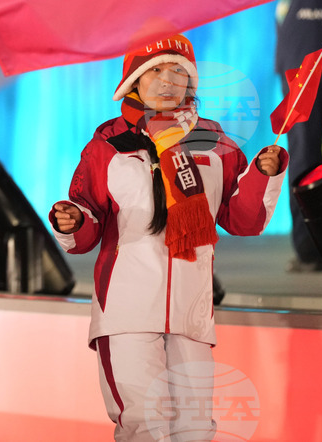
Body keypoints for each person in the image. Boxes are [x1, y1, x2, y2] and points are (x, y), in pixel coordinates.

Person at [49, 34, 286, 441]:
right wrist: (72, 220)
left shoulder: (215, 141)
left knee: (194, 428)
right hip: (126, 307)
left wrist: (264, 174)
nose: (167, 80)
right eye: (156, 70)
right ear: (134, 82)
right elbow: (88, 215)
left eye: (178, 71)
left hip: (191, 309)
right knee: (144, 423)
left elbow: (241, 219)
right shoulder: (108, 143)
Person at [275, 0, 322, 272]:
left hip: (302, 52)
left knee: (310, 154)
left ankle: (319, 247)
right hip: (301, 55)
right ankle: (311, 247)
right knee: (303, 154)